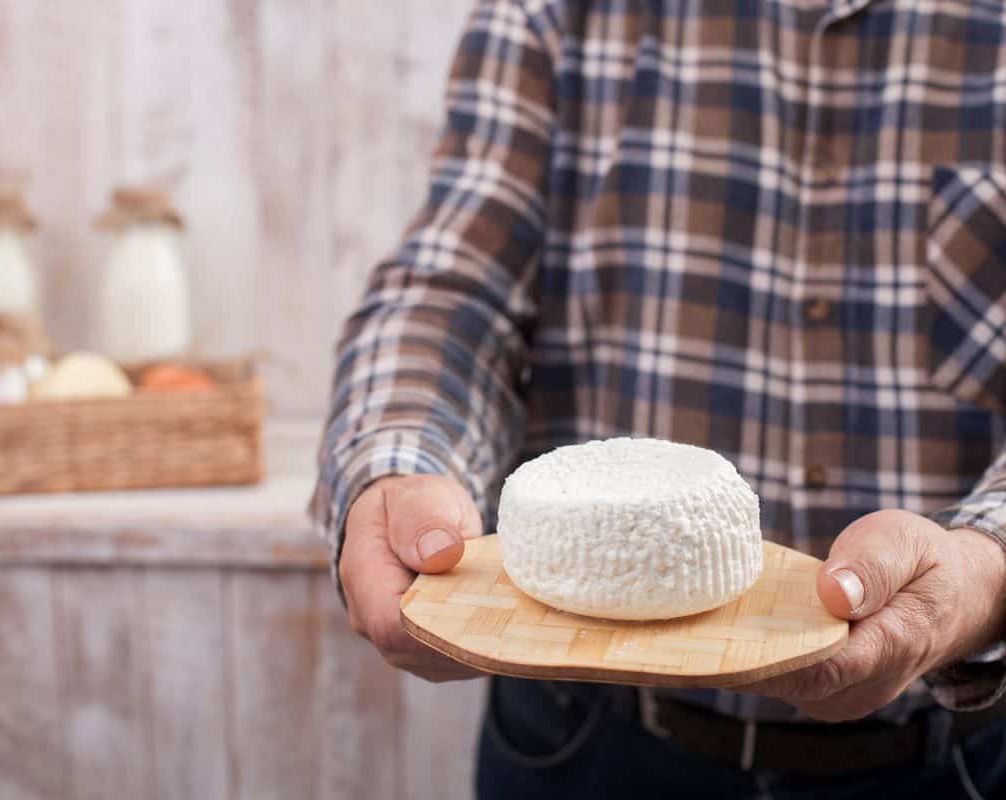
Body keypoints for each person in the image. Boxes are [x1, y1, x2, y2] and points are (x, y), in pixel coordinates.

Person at [310, 1, 1006, 796]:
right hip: (584, 738)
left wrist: (985, 566)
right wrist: (397, 462)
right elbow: (453, 294)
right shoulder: (554, 15)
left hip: (956, 753)